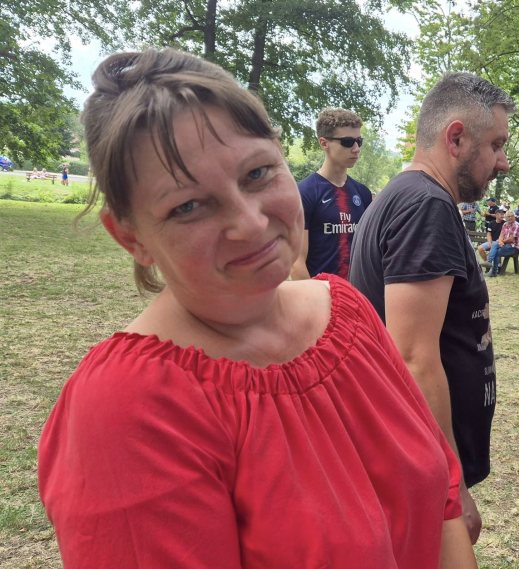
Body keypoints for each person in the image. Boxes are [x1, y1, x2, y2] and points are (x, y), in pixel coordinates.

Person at [38, 48, 475, 569]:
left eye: (257, 174)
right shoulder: (127, 410)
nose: (249, 223)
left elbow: (442, 502)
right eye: (187, 206)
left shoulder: (349, 314)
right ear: (131, 237)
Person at [350, 71, 515, 544]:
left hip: (412, 457)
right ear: (456, 138)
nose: (503, 163)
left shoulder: (408, 196)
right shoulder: (426, 206)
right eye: (496, 145)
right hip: (418, 467)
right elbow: (412, 358)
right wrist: (452, 486)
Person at [290, 108, 372, 280]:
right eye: (348, 142)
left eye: (359, 141)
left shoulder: (362, 193)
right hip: (321, 293)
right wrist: (317, 296)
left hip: (356, 293)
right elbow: (296, 263)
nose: (356, 149)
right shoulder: (304, 192)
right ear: (324, 143)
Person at [486, 209, 519, 277]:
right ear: (506, 218)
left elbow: (511, 239)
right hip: (506, 245)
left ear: (514, 217)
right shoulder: (505, 224)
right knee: (495, 243)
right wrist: (500, 241)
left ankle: (493, 272)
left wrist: (502, 241)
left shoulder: (516, 225)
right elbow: (501, 235)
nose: (510, 217)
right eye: (508, 216)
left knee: (496, 252)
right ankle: (489, 262)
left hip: (514, 247)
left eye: (512, 216)